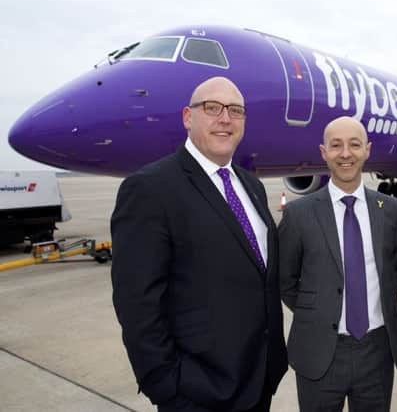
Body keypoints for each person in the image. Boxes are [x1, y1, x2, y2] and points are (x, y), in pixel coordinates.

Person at [111, 76, 287, 412]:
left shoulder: (251, 186)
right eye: (212, 108)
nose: (225, 118)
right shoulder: (150, 189)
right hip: (197, 393)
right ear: (187, 118)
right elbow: (137, 304)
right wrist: (166, 386)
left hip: (259, 381)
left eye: (235, 110)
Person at [279, 116, 397, 412]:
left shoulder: (389, 210)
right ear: (324, 152)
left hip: (377, 350)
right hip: (319, 350)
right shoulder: (299, 215)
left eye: (354, 144)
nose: (346, 153)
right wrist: (318, 309)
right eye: (336, 145)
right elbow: (285, 281)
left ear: (367, 150)